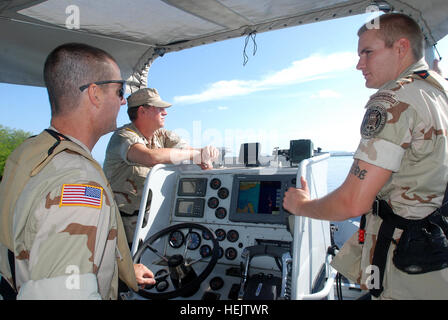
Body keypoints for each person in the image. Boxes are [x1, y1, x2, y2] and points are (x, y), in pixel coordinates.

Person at [283, 13, 448, 300]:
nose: (359, 64)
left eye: (367, 53)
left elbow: (352, 201)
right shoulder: (437, 90)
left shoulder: (395, 99)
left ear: (401, 48)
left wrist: (302, 206)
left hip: (406, 270)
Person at [0, 43, 155, 300]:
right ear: (94, 94)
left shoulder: (32, 151)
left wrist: (120, 268)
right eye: (120, 91)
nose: (123, 101)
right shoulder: (78, 181)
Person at [103, 88, 219, 245]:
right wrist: (195, 154)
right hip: (120, 231)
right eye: (159, 108)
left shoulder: (162, 136)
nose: (165, 112)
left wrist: (205, 155)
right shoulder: (123, 137)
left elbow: (192, 154)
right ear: (142, 111)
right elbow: (151, 157)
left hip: (153, 224)